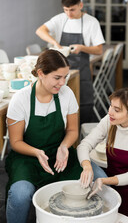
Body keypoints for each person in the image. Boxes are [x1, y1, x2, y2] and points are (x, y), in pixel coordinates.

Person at [5, 49, 83, 223]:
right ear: (40, 73)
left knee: (96, 178)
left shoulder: (67, 94)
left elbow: (72, 131)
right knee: (21, 194)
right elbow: (16, 142)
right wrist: (37, 153)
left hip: (60, 155)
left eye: (65, 77)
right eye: (57, 78)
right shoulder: (21, 99)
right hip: (27, 158)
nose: (62, 83)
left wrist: (64, 146)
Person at [77, 87, 128, 223]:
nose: (110, 112)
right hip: (113, 188)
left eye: (117, 110)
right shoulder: (109, 121)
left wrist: (104, 180)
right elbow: (84, 145)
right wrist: (87, 166)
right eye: (110, 106)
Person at [36, 0, 105, 124]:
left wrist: (82, 48)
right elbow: (40, 30)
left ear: (81, 5)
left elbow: (99, 50)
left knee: (83, 105)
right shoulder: (60, 19)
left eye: (72, 10)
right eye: (66, 10)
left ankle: (81, 136)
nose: (69, 14)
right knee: (58, 107)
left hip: (81, 71)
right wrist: (55, 42)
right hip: (58, 72)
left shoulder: (91, 22)